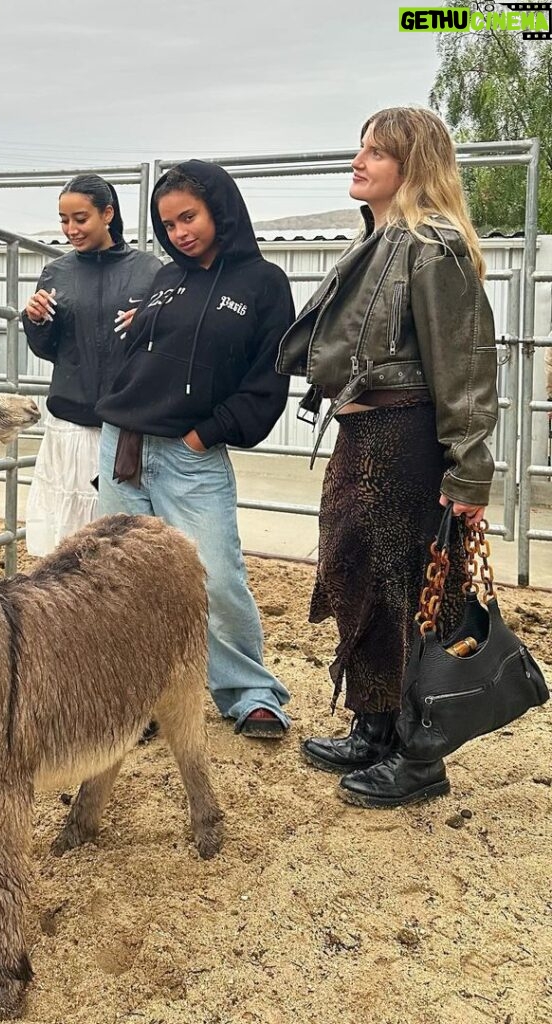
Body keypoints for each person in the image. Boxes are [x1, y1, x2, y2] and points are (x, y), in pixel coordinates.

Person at [276, 106, 498, 807]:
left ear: (414, 165)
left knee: (409, 595)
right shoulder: (378, 241)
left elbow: (464, 368)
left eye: (378, 152)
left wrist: (469, 471)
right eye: (360, 148)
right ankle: (374, 727)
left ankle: (419, 758)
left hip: (404, 443)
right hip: (364, 437)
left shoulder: (435, 247)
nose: (359, 160)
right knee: (357, 579)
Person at [95, 161, 295, 739]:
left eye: (190, 216)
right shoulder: (165, 279)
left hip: (192, 455)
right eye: (168, 223)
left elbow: (267, 381)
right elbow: (143, 356)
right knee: (125, 579)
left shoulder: (263, 283)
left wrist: (204, 434)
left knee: (215, 574)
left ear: (220, 210)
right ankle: (139, 701)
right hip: (125, 446)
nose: (180, 231)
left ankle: (250, 692)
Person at [21, 175, 161, 555]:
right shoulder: (56, 273)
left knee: (119, 539)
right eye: (64, 220)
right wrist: (35, 321)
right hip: (70, 423)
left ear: (108, 214)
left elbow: (164, 349)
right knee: (64, 540)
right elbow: (49, 350)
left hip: (125, 425)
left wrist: (149, 324)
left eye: (80, 219)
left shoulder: (148, 271)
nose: (70, 230)